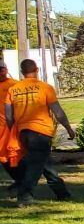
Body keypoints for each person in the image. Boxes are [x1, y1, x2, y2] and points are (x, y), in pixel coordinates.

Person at [4, 59, 74, 206]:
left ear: (22, 72)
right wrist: (68, 127)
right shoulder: (45, 88)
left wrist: (13, 131)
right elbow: (57, 112)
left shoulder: (13, 89)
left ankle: (61, 192)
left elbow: (9, 116)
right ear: (37, 70)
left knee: (44, 163)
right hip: (41, 131)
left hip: (23, 132)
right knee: (35, 166)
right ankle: (24, 196)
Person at [0, 60, 18, 191]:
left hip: (9, 127)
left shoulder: (14, 85)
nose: (0, 72)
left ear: (6, 70)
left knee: (10, 155)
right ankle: (20, 179)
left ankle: (21, 180)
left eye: (1, 69)